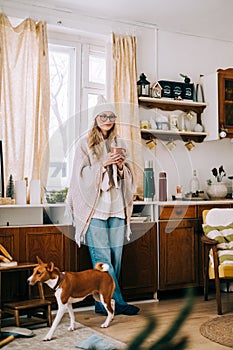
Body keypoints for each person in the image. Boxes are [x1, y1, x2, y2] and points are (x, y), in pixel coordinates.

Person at [66, 98, 140, 316]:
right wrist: (102, 164)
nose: (107, 120)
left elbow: (128, 175)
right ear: (96, 119)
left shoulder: (120, 142)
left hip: (116, 208)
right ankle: (117, 302)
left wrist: (120, 167)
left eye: (111, 116)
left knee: (115, 258)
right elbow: (80, 177)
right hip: (95, 209)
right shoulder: (84, 144)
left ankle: (102, 302)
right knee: (103, 259)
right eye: (103, 116)